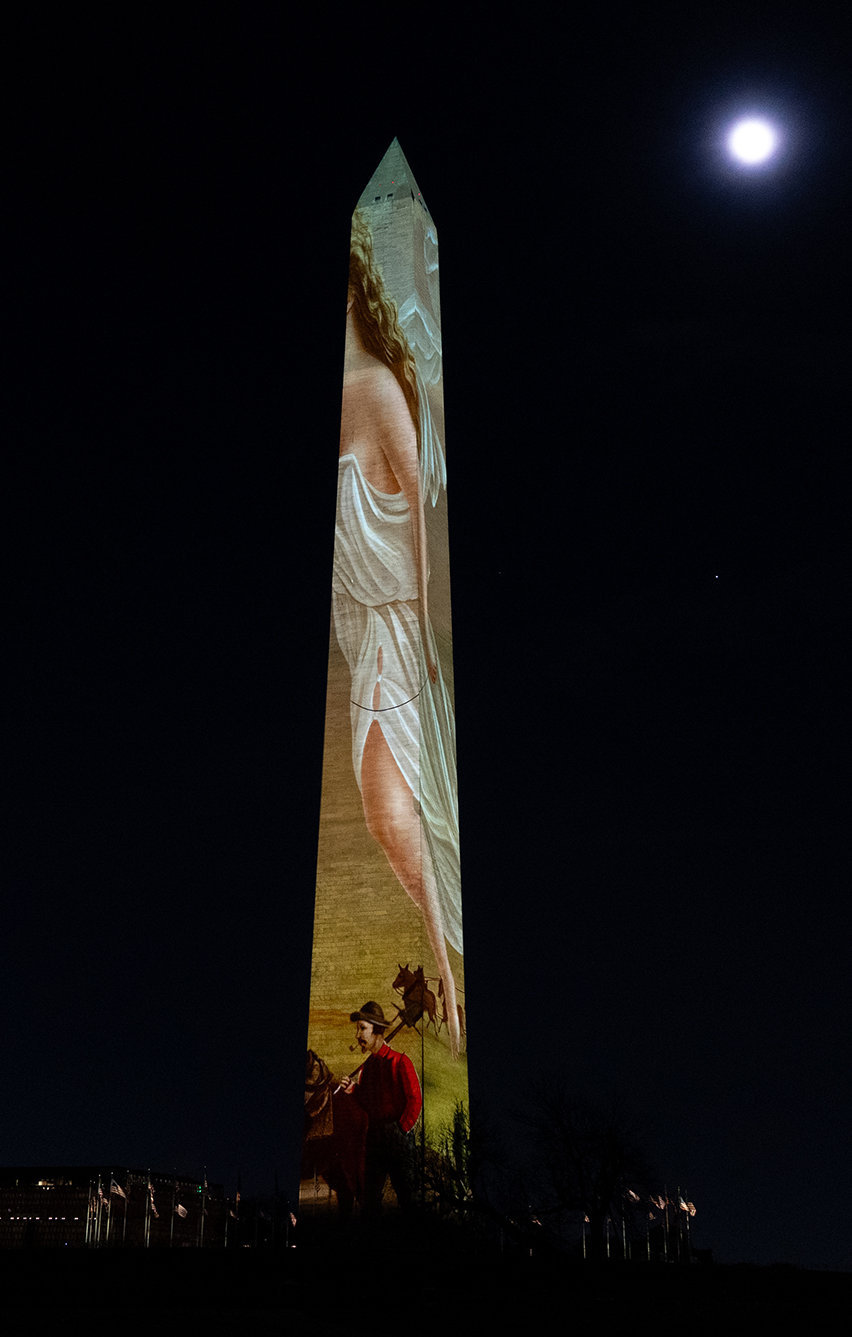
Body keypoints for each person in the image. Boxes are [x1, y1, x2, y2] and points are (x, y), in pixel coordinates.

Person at [338, 209, 463, 1051]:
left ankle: (447, 971)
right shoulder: (357, 390)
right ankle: (441, 969)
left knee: (389, 809)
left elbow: (420, 534)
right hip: (358, 640)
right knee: (380, 819)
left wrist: (423, 654)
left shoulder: (381, 392)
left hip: (396, 633)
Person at [336, 1001, 421, 1217]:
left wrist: (401, 1130)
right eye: (358, 1028)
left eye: (362, 1028)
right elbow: (368, 1103)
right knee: (370, 1200)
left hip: (397, 1137)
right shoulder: (369, 1067)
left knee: (408, 1198)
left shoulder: (400, 1062)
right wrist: (353, 1090)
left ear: (378, 1030)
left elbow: (415, 1100)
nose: (358, 1034)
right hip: (374, 1138)